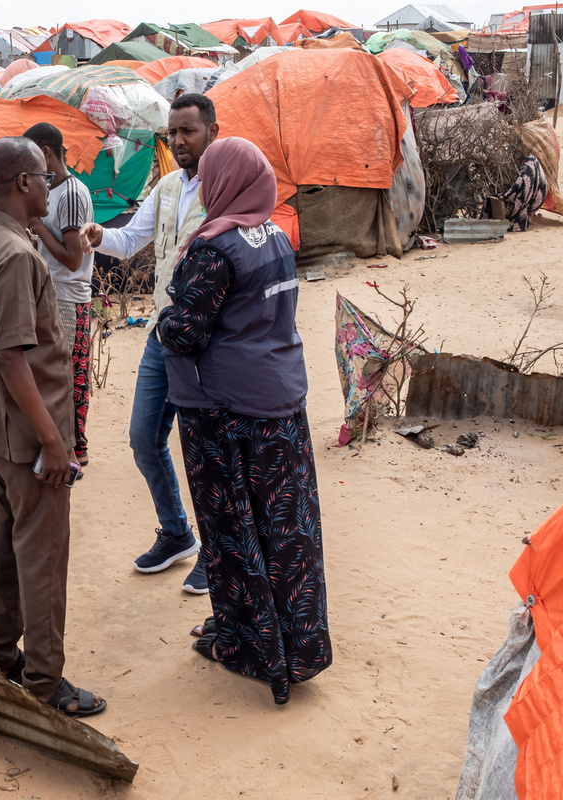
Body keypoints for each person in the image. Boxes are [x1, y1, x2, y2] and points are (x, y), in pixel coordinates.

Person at [157, 137, 331, 705]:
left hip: (224, 413)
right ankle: (298, 644)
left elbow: (185, 332)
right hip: (279, 400)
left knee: (235, 530)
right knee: (288, 531)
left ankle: (250, 646)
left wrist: (163, 317)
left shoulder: (215, 249)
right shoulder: (275, 235)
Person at [0, 137, 105, 718]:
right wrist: (53, 440)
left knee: (3, 553)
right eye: (44, 177)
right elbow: (12, 357)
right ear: (22, 184)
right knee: (41, 560)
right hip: (26, 437)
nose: (52, 185)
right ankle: (43, 683)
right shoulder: (17, 256)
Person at [79, 93, 218, 593]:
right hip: (163, 334)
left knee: (205, 449)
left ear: (212, 132)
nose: (179, 141)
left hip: (208, 342)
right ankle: (179, 532)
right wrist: (97, 235)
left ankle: (218, 550)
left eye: (189, 131)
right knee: (144, 438)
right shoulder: (165, 187)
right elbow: (130, 240)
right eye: (173, 133)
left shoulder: (225, 187)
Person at [22, 122, 95, 466]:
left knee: (70, 375)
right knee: (56, 372)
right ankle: (64, 445)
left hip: (69, 295)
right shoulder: (54, 191)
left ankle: (74, 447)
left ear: (47, 153)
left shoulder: (72, 194)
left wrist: (36, 226)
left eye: (33, 157)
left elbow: (72, 257)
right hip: (55, 292)